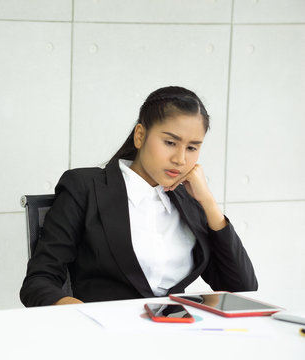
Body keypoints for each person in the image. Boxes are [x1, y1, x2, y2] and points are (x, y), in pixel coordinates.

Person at [20, 86, 258, 307]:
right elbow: (38, 282)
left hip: (175, 335)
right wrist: (85, 319)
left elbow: (242, 289)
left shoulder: (189, 201)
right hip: (106, 338)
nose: (180, 159)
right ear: (140, 135)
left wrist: (208, 202)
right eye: (170, 142)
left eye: (192, 148)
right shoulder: (85, 187)